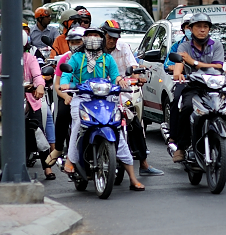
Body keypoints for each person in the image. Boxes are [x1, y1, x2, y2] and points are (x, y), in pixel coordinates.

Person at [169, 13, 226, 185]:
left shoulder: (216, 45)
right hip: (193, 88)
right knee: (186, 107)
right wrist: (178, 74)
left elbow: (218, 66)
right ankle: (181, 146)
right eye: (198, 26)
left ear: (209, 29)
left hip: (215, 88)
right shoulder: (184, 47)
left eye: (205, 27)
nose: (202, 30)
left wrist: (194, 63)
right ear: (191, 29)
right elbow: (178, 68)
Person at [59, 28, 144, 190]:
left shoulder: (107, 58)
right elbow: (66, 75)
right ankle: (71, 159)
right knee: (78, 123)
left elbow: (115, 76)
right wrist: (65, 82)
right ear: (84, 39)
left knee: (117, 128)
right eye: (90, 36)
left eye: (96, 36)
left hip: (105, 98)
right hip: (82, 98)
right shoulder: (76, 58)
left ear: (101, 40)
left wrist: (121, 81)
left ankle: (133, 178)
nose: (93, 38)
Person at [0, 25, 58, 180]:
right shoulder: (2, 58)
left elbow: (38, 76)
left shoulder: (30, 58)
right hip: (4, 98)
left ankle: (47, 167)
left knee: (37, 130)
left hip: (28, 99)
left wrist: (39, 86)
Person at [102, 19, 163, 177]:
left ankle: (143, 163)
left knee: (134, 123)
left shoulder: (123, 47)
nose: (112, 41)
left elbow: (133, 67)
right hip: (99, 96)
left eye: (115, 38)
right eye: (109, 37)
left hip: (121, 94)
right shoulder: (96, 50)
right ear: (103, 35)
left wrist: (137, 77)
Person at [49, 26, 85, 164]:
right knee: (63, 114)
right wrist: (65, 96)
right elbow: (58, 84)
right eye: (73, 42)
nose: (75, 45)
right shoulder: (65, 59)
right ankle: (58, 148)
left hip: (86, 93)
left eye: (79, 42)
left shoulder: (91, 58)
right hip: (67, 93)